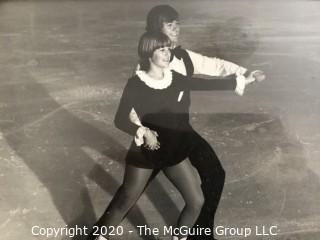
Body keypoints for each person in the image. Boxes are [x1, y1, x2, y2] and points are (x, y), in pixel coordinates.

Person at [88, 32, 252, 240]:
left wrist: (242, 80)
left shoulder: (176, 78)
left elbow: (204, 84)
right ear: (149, 53)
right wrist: (143, 131)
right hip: (146, 153)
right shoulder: (136, 83)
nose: (168, 54)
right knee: (125, 201)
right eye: (162, 50)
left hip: (174, 151)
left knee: (196, 202)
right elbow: (120, 119)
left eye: (168, 49)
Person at [128, 5, 266, 240]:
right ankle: (99, 232)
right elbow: (132, 105)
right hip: (156, 138)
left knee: (215, 173)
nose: (176, 29)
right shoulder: (148, 64)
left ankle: (200, 233)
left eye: (177, 24)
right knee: (130, 194)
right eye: (169, 25)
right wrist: (141, 131)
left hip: (182, 132)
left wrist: (246, 72)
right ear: (155, 28)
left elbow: (213, 64)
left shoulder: (183, 56)